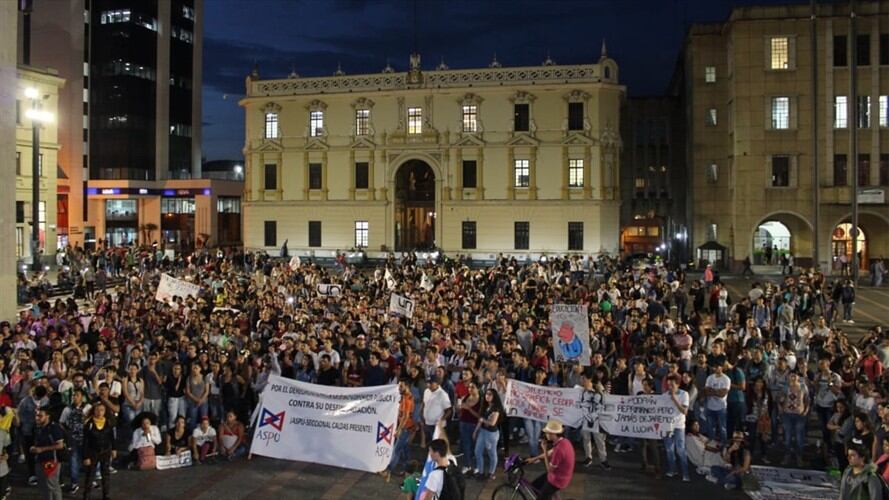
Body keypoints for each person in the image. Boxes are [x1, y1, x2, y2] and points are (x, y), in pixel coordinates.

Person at [526, 420, 574, 500]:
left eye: (548, 433)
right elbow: (550, 453)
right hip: (561, 474)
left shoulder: (559, 449)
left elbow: (549, 470)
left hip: (558, 480)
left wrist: (544, 449)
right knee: (535, 485)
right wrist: (534, 459)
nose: (546, 435)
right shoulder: (564, 441)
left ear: (553, 434)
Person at [59, 389, 91, 494]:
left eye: (77, 395)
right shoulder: (67, 409)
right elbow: (61, 423)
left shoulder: (88, 408)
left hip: (86, 438)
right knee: (73, 460)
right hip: (73, 439)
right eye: (73, 395)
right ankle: (74, 483)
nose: (75, 397)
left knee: (90, 459)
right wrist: (68, 433)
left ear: (82, 396)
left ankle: (91, 480)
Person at [82, 403, 115, 500]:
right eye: (97, 410)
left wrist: (114, 448)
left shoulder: (108, 422)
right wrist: (85, 456)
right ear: (94, 410)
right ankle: (86, 495)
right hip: (92, 452)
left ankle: (106, 495)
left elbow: (111, 437)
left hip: (105, 451)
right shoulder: (89, 423)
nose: (99, 412)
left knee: (105, 473)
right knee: (90, 474)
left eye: (102, 410)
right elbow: (85, 441)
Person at [31, 407, 65, 500]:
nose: (37, 418)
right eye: (36, 415)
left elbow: (60, 445)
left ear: (47, 416)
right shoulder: (38, 427)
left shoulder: (54, 428)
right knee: (43, 485)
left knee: (52, 485)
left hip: (51, 460)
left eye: (40, 416)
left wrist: (42, 449)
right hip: (40, 459)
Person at [663, 374, 690, 482]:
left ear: (678, 384)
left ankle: (686, 473)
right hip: (667, 426)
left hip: (679, 426)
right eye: (668, 385)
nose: (670, 388)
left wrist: (674, 399)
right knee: (669, 449)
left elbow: (684, 411)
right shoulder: (664, 395)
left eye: (672, 385)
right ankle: (672, 469)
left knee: (680, 450)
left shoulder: (684, 394)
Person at [472, 388, 503, 480]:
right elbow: (480, 420)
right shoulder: (485, 406)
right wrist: (475, 431)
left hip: (491, 434)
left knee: (492, 453)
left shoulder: (496, 408)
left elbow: (492, 423)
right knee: (477, 451)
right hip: (483, 431)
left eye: (490, 394)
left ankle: (491, 473)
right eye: (486, 394)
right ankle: (481, 472)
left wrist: (483, 420)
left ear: (494, 396)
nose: (487, 396)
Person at [421, 377, 452, 447]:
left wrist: (441, 420)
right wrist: (421, 412)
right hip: (427, 423)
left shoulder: (443, 394)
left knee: (437, 445)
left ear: (437, 384)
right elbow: (424, 403)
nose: (429, 385)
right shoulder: (426, 391)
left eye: (431, 383)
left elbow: (449, 410)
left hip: (437, 425)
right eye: (428, 383)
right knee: (430, 445)